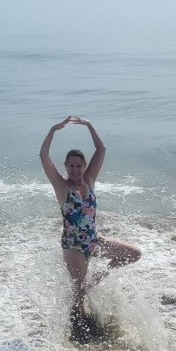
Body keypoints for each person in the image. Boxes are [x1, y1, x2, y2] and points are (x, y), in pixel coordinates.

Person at [40, 116, 141, 333]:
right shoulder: (61, 186)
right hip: (73, 245)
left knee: (133, 254)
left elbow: (101, 149)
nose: (75, 170)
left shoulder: (90, 180)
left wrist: (89, 126)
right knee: (79, 292)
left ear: (84, 166)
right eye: (71, 166)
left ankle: (94, 282)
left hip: (93, 241)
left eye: (79, 166)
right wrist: (53, 130)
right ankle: (77, 330)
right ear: (65, 166)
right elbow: (44, 156)